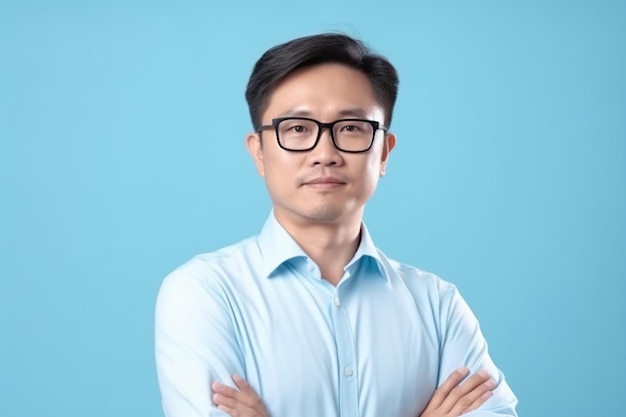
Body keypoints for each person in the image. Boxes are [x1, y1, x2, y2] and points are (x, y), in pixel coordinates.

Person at [154, 33, 518, 417]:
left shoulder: (437, 306)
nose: (324, 154)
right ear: (259, 152)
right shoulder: (203, 295)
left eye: (350, 129)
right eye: (297, 129)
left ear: (384, 153)